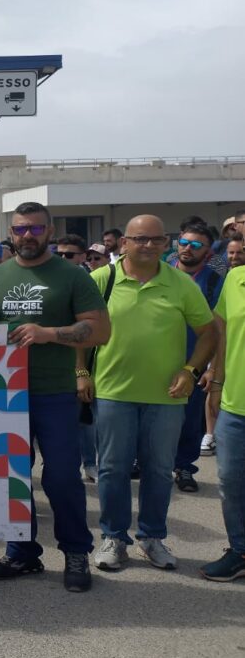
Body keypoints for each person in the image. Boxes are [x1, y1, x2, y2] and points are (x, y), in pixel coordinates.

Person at [0, 201, 110, 593]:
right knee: (12, 478)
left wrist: (48, 333)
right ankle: (22, 552)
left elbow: (100, 331)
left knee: (62, 478)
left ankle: (76, 551)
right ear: (11, 233)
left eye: (36, 228)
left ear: (49, 232)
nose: (28, 235)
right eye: (20, 229)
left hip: (55, 392)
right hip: (4, 395)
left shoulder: (72, 276)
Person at [80, 216, 216, 573]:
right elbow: (81, 330)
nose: (149, 245)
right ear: (124, 242)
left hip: (167, 395)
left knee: (158, 470)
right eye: (140, 239)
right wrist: (80, 372)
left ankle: (152, 537)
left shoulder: (181, 284)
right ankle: (113, 538)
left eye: (156, 239)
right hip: (112, 392)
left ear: (166, 243)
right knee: (113, 469)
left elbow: (208, 333)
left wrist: (190, 371)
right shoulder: (101, 279)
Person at [198, 248, 245, 581]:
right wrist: (215, 380)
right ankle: (240, 551)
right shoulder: (235, 278)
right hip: (235, 404)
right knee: (230, 482)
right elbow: (223, 332)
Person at [169, 222, 223, 493]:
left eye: (196, 245)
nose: (188, 249)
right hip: (156, 357)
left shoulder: (215, 281)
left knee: (189, 420)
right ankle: (141, 460)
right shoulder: (161, 271)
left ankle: (184, 467)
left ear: (208, 252)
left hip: (195, 360)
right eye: (184, 242)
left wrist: (211, 367)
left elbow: (220, 328)